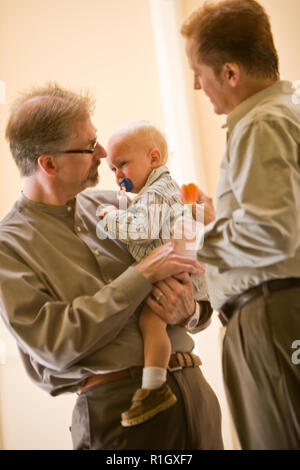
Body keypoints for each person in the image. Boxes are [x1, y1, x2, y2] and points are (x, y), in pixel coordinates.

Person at [0, 83, 223, 450]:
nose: (103, 153)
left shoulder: (124, 204)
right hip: (120, 414)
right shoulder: (10, 247)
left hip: (194, 394)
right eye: (89, 146)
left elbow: (198, 285)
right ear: (48, 164)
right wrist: (142, 275)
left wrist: (192, 311)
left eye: (97, 139)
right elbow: (56, 342)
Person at [181, 0, 300, 450]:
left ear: (230, 73)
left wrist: (193, 242)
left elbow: (270, 234)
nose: (196, 83)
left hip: (272, 318)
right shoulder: (289, 107)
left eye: (199, 71)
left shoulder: (261, 123)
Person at [98, 120, 208, 427]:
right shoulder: (158, 190)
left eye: (123, 164)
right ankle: (153, 385)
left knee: (150, 320)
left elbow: (141, 230)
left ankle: (154, 387)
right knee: (151, 321)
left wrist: (110, 218)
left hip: (175, 272)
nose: (118, 175)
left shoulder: (156, 193)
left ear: (154, 158)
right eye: (113, 169)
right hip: (179, 269)